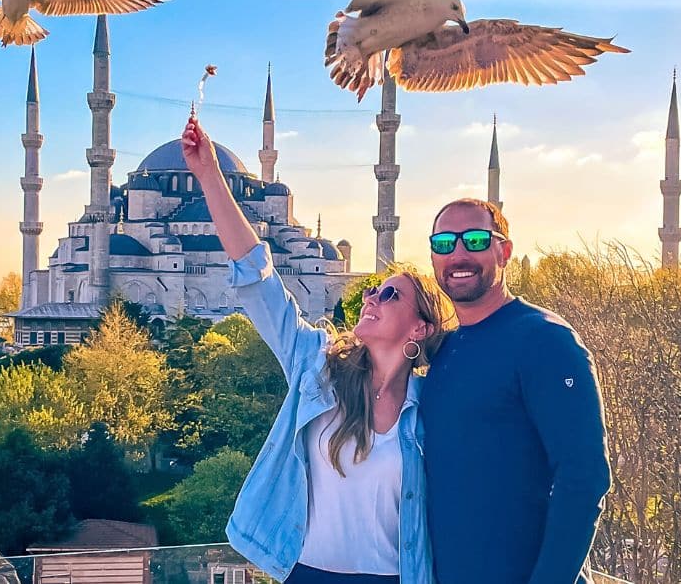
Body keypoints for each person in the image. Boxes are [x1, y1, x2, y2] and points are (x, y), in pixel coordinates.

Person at [181, 117, 456, 584]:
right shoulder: (318, 368)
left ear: (420, 327)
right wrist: (209, 175)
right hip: (308, 572)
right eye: (372, 290)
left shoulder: (431, 407)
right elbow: (258, 279)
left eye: (390, 295)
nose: (370, 298)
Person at [421, 198, 612, 584]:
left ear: (503, 251)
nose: (458, 253)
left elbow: (584, 476)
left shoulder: (544, 341)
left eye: (474, 240)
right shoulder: (444, 351)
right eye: (444, 243)